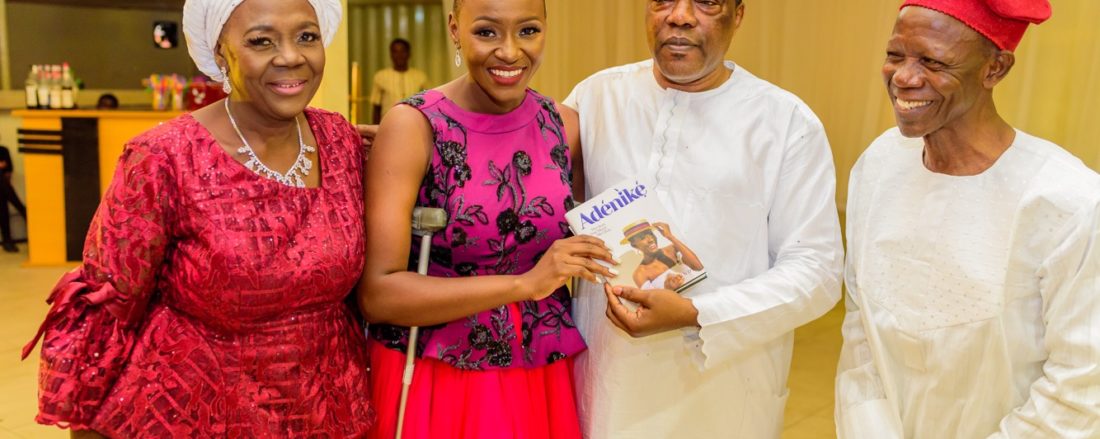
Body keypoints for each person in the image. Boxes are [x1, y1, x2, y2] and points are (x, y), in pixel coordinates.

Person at [22, 0, 373, 437]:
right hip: (196, 413)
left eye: (307, 36)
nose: (290, 56)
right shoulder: (164, 157)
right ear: (220, 51)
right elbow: (108, 304)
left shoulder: (340, 141)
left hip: (330, 412)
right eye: (261, 41)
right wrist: (84, 416)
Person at [563, 0, 843, 437]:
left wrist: (700, 312)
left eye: (707, 2)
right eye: (664, 1)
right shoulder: (597, 97)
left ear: (738, 14)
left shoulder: (787, 122)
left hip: (722, 393)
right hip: (607, 385)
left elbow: (818, 271)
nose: (680, 16)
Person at [836, 1, 1100, 438]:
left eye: (933, 62)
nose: (904, 77)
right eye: (895, 55)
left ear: (995, 68)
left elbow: (1081, 388)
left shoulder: (1068, 202)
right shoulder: (880, 164)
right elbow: (861, 327)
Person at [358, 0, 614, 437]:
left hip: (539, 374)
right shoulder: (414, 125)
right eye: (487, 32)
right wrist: (526, 284)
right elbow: (379, 295)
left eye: (528, 31)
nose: (510, 52)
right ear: (454, 29)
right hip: (439, 375)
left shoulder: (563, 126)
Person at [621, 220, 702, 290]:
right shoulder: (640, 274)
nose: (651, 239)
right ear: (634, 245)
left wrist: (670, 237)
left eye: (651, 234)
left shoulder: (673, 248)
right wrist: (668, 288)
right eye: (642, 238)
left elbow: (698, 267)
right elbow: (655, 300)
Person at [369, 38, 429, 124]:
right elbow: (376, 108)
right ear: (391, 54)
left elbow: (427, 105)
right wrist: (376, 129)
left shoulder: (420, 77)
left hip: (414, 125)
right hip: (388, 125)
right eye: (395, 52)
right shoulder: (380, 76)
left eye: (402, 51)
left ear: (409, 54)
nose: (399, 55)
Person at [0, 144, 27, 253]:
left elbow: (8, 169)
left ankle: (7, 241)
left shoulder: (3, 150)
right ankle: (23, 211)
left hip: (3, 185)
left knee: (2, 206)